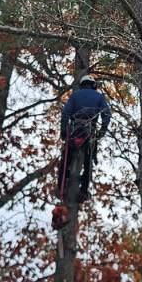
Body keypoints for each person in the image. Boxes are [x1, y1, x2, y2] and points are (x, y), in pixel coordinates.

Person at [57, 75, 111, 204]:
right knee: (88, 161)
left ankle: (61, 186)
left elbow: (65, 113)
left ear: (82, 84)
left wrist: (63, 130)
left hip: (74, 130)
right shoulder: (99, 97)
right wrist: (102, 130)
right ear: (93, 85)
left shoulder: (75, 95)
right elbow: (106, 114)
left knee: (65, 159)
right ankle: (83, 190)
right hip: (89, 131)